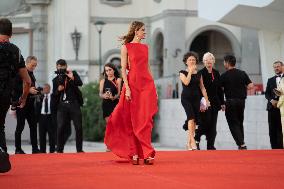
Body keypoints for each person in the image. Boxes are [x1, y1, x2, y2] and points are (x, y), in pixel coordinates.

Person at [104, 21, 158, 165]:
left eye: (144, 30)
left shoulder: (145, 47)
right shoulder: (126, 47)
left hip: (146, 84)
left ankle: (147, 153)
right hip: (132, 84)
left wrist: (154, 86)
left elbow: (148, 67)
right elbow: (123, 70)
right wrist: (127, 88)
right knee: (131, 119)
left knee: (145, 119)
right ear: (136, 31)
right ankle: (134, 152)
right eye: (142, 30)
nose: (144, 32)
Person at [0, 18, 31, 157]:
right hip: (5, 96)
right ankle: (3, 154)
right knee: (0, 126)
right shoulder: (16, 51)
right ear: (11, 33)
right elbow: (28, 81)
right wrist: (23, 98)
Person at [220, 55, 254, 150]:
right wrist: (242, 88)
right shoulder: (242, 73)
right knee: (239, 122)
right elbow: (251, 85)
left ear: (227, 63)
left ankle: (242, 144)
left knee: (233, 123)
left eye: (224, 62)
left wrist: (222, 102)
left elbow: (220, 89)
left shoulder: (224, 75)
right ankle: (241, 143)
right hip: (241, 101)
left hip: (230, 102)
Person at [179, 51, 210, 151]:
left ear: (196, 61)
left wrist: (206, 99)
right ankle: (192, 141)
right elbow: (186, 82)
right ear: (186, 62)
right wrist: (190, 71)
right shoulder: (182, 72)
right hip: (186, 98)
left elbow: (202, 87)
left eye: (193, 60)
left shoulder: (199, 73)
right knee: (190, 118)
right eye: (190, 60)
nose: (192, 61)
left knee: (194, 121)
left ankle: (188, 143)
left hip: (196, 99)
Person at [52, 59, 83, 153]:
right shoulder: (55, 79)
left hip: (74, 104)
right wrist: (58, 89)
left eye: (63, 66)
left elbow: (80, 83)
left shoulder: (72, 74)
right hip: (62, 106)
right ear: (57, 67)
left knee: (78, 127)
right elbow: (54, 94)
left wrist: (72, 77)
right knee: (60, 127)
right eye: (59, 66)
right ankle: (59, 150)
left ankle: (79, 149)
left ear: (66, 66)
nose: (61, 68)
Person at [195, 52, 224, 150]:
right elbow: (198, 90)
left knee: (213, 125)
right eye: (206, 60)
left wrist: (222, 102)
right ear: (203, 62)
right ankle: (197, 140)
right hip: (204, 102)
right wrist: (200, 103)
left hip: (215, 102)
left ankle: (210, 145)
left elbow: (219, 89)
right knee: (205, 122)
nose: (208, 61)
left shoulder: (216, 73)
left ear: (213, 61)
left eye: (210, 59)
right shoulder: (200, 73)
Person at [14, 56, 40, 154]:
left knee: (33, 126)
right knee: (20, 126)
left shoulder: (32, 74)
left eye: (35, 66)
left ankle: (35, 148)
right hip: (21, 103)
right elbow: (15, 87)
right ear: (27, 63)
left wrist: (36, 91)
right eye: (33, 65)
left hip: (30, 104)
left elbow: (31, 86)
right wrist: (28, 90)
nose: (34, 67)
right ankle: (18, 149)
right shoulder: (19, 73)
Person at [266, 61, 283, 149]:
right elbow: (267, 94)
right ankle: (274, 149)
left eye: (278, 66)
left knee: (281, 128)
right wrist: (271, 100)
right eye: (275, 67)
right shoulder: (270, 80)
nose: (276, 68)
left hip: (282, 107)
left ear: (282, 67)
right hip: (272, 108)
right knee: (272, 129)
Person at [37, 83, 56, 153]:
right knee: (42, 135)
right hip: (42, 117)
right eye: (44, 88)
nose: (44, 90)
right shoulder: (40, 97)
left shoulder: (53, 97)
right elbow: (37, 107)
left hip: (50, 117)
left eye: (46, 88)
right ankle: (42, 151)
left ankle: (52, 150)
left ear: (49, 89)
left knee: (51, 135)